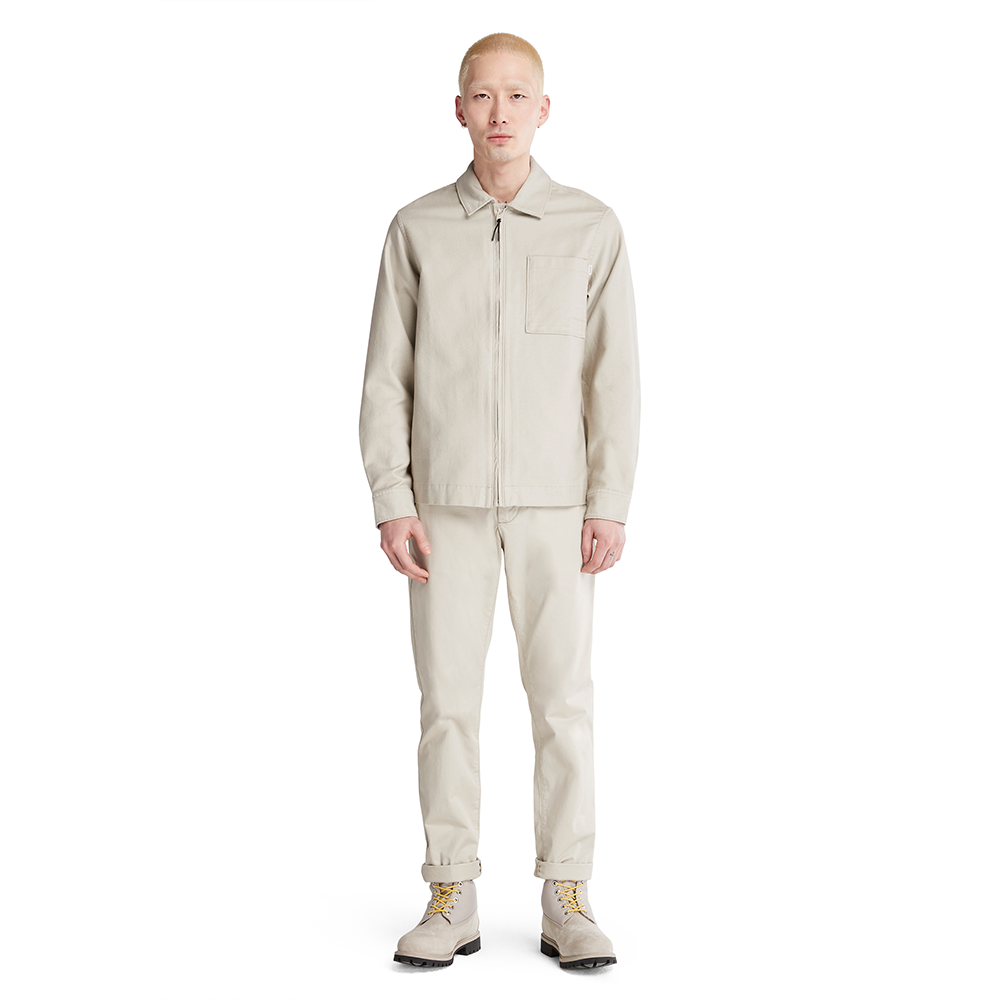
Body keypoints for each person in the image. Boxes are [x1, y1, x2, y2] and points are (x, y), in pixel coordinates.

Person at [359, 31, 640, 971]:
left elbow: (613, 378)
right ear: (459, 109)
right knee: (447, 703)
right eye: (483, 95)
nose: (501, 112)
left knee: (563, 703)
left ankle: (568, 892)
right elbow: (386, 377)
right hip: (444, 508)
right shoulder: (416, 229)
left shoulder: (591, 227)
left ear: (544, 109)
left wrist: (609, 499)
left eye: (519, 95)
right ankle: (452, 890)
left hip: (558, 507)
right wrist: (393, 497)